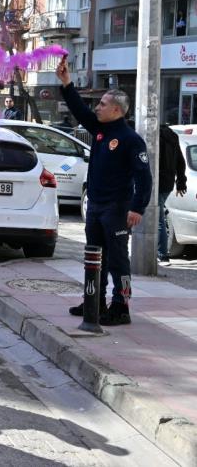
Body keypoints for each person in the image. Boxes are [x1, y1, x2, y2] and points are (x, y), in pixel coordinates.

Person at [57, 56, 152, 326]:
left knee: (118, 260)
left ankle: (121, 306)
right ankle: (94, 301)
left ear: (117, 110)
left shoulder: (131, 140)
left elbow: (144, 176)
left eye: (102, 104)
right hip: (96, 206)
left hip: (117, 208)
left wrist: (137, 207)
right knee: (93, 256)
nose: (97, 108)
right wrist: (67, 83)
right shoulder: (99, 129)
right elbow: (80, 110)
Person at [158, 124, 187, 262]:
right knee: (158, 217)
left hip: (157, 183)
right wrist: (181, 182)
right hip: (168, 183)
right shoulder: (172, 137)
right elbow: (180, 161)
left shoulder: (154, 137)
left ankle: (162, 254)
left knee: (157, 220)